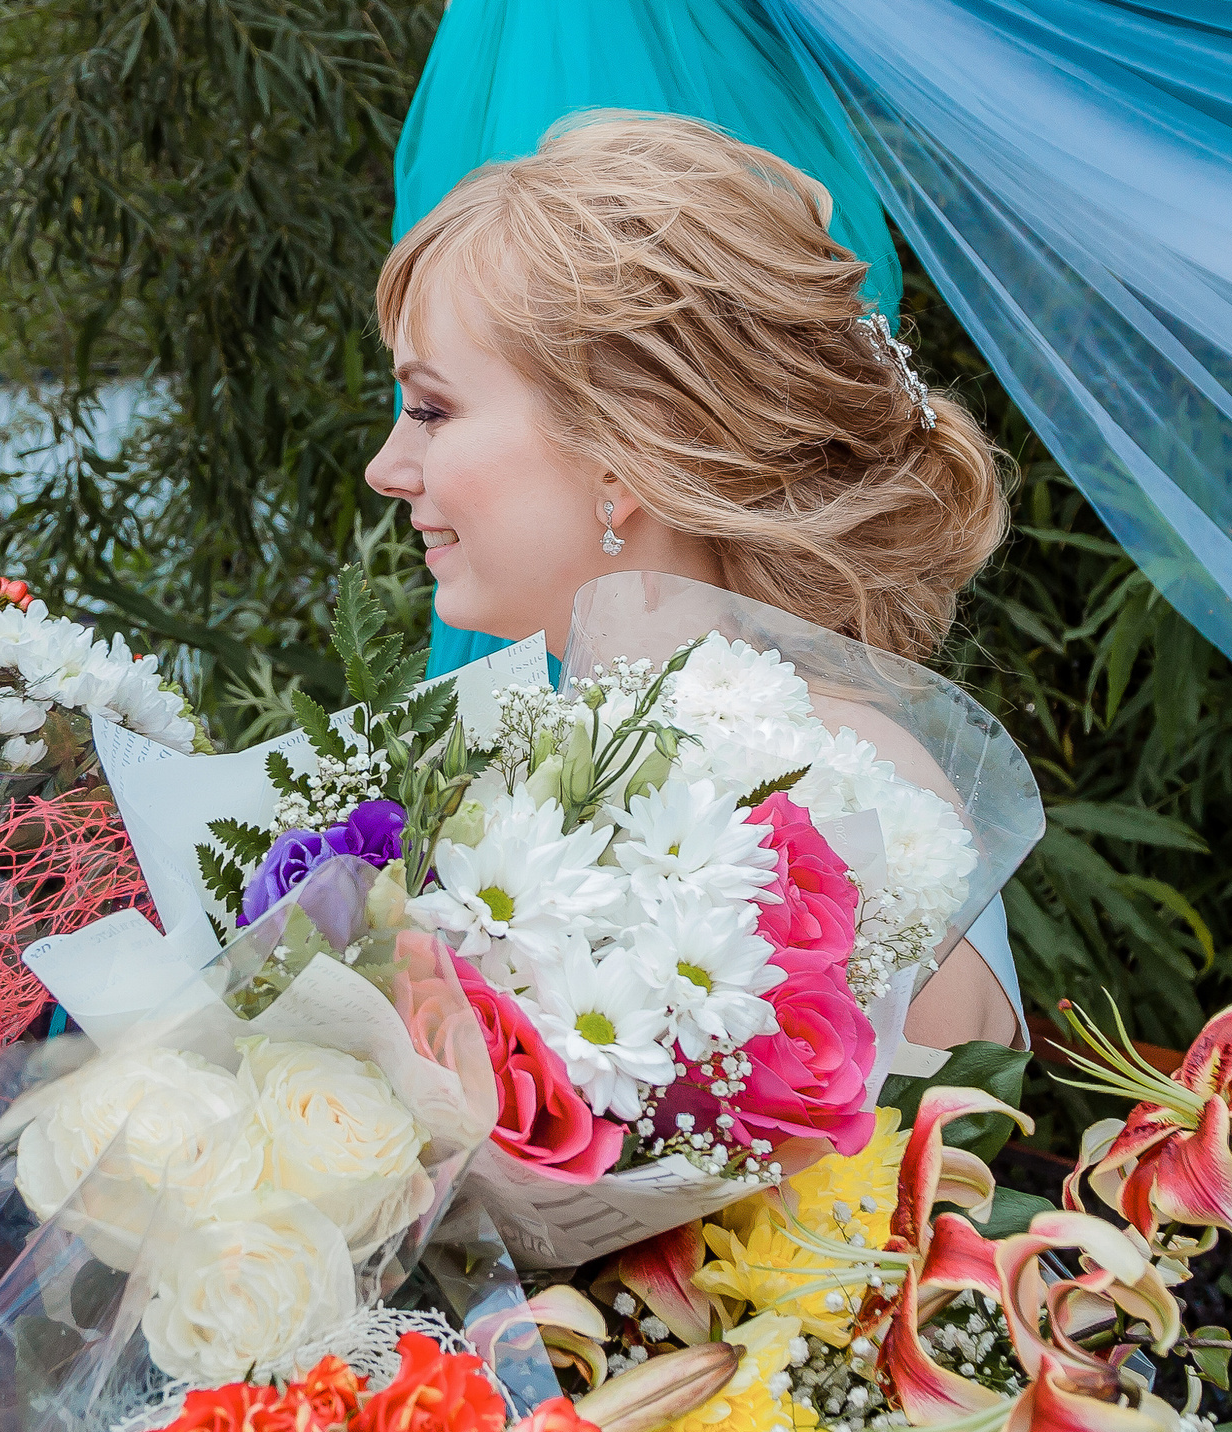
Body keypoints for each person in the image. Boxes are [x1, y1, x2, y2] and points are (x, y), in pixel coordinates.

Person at [363, 113, 1023, 1050]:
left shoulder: (845, 805)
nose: (386, 469)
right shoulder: (538, 764)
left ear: (622, 449)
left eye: (431, 409)